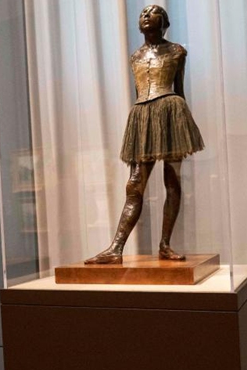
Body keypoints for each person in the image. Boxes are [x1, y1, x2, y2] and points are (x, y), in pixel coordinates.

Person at [86, 5, 204, 264]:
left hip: (171, 111)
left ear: (164, 22)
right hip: (142, 114)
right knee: (134, 184)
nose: (146, 16)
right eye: (142, 13)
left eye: (152, 12)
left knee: (171, 180)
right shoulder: (135, 56)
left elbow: (180, 89)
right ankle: (116, 247)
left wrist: (183, 125)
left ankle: (165, 244)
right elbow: (140, 89)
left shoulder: (177, 51)